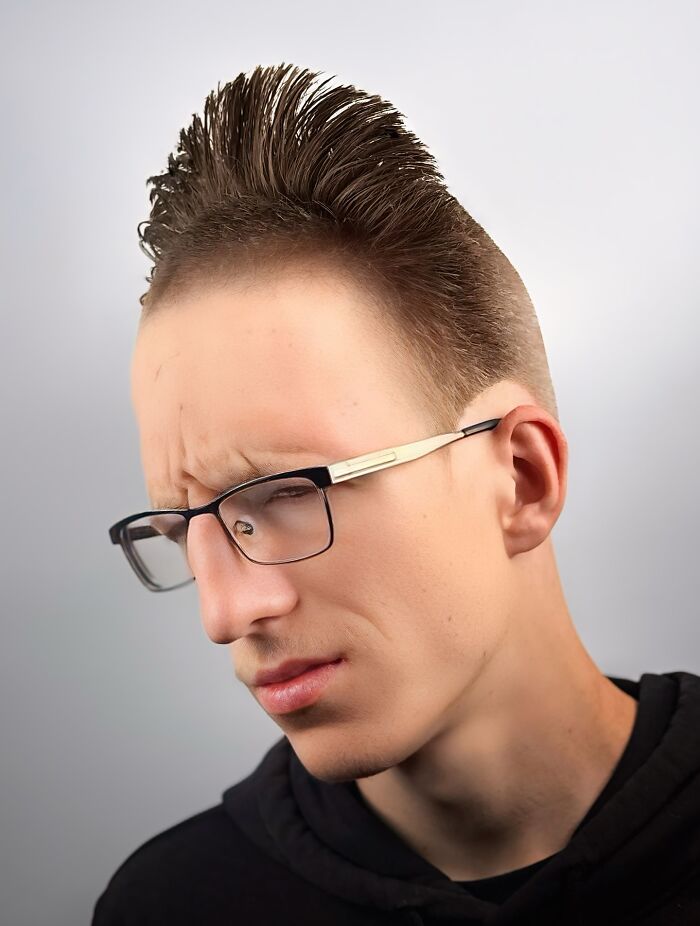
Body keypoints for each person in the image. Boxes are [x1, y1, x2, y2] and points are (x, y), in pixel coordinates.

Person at [92, 62, 700, 925]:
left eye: (285, 492)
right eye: (187, 526)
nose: (225, 615)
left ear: (520, 478)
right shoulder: (171, 906)